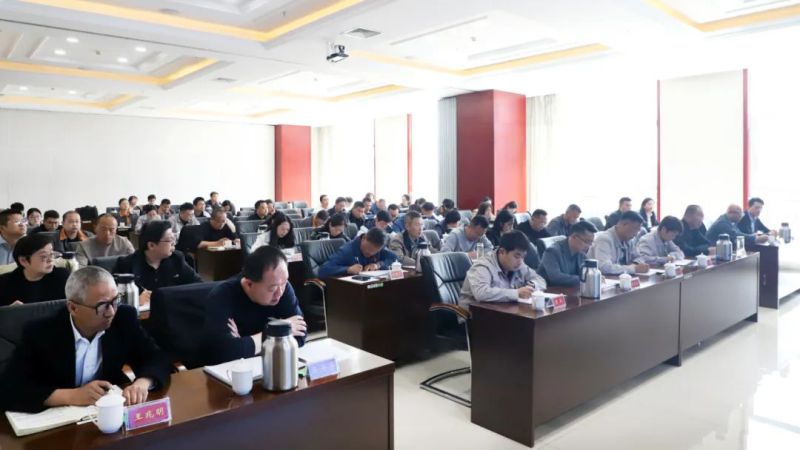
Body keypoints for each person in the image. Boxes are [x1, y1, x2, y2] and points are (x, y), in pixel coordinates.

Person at [0, 266, 171, 412]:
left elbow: (156, 357)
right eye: (102, 306)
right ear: (73, 308)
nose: (111, 312)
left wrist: (143, 382)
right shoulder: (40, 332)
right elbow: (9, 388)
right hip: (59, 420)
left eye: (115, 301)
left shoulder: (123, 318)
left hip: (109, 410)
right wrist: (71, 395)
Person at [201, 246, 306, 365]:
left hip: (270, 364)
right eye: (272, 288)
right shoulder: (221, 297)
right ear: (249, 284)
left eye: (284, 283)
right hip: (233, 371)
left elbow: (301, 334)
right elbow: (226, 353)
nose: (280, 293)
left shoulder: (281, 286)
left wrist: (246, 343)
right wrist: (278, 333)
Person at [113, 221, 200, 307]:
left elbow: (198, 285)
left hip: (171, 311)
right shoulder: (126, 264)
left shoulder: (176, 259)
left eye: (174, 239)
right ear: (151, 245)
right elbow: (113, 297)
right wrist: (134, 299)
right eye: (170, 240)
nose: (174, 243)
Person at [458, 231, 546, 308]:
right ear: (502, 251)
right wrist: (517, 293)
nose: (520, 261)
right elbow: (481, 293)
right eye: (517, 256)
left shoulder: (519, 265)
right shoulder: (483, 266)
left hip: (503, 312)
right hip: (474, 316)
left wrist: (532, 286)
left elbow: (541, 280)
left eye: (523, 257)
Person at [0, 234, 70, 306]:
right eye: (44, 256)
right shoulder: (4, 283)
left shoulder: (62, 276)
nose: (50, 260)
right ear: (23, 261)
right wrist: (9, 310)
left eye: (51, 254)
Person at [537, 221, 597, 287]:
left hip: (571, 289)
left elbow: (586, 272)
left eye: (591, 242)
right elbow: (556, 278)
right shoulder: (552, 251)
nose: (589, 246)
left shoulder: (581, 252)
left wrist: (595, 276)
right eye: (587, 241)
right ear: (574, 237)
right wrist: (586, 279)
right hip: (550, 290)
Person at [588, 211, 649, 275]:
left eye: (638, 230)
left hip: (622, 277)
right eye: (635, 229)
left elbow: (639, 257)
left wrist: (635, 264)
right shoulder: (604, 239)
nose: (636, 234)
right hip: (603, 278)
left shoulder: (629, 240)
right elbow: (604, 267)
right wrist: (633, 269)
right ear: (625, 224)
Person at [318, 228, 398, 277]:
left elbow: (394, 258)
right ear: (363, 238)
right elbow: (323, 270)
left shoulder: (379, 246)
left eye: (375, 251)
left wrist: (378, 265)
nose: (370, 253)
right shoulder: (347, 251)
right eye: (368, 249)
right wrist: (348, 269)